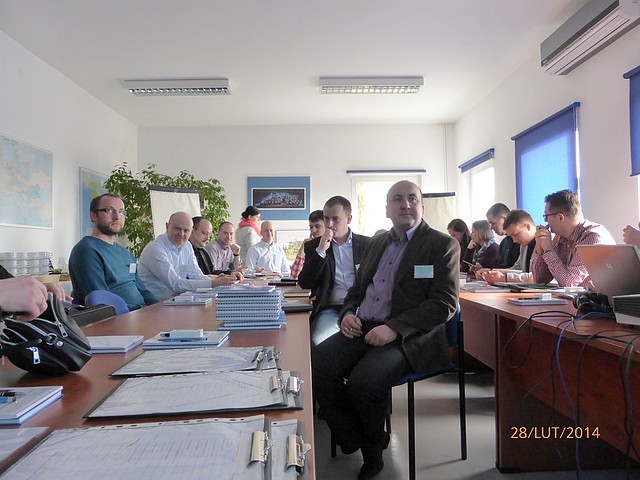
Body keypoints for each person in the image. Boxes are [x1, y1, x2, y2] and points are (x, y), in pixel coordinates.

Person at [312, 181, 459, 479]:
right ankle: (358, 435)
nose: (406, 204)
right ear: (387, 209)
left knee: (363, 381)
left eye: (412, 198)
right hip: (363, 326)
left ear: (422, 206)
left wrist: (393, 328)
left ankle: (372, 454)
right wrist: (348, 313)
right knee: (315, 363)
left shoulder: (442, 245)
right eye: (397, 199)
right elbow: (356, 289)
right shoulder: (376, 243)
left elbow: (444, 304)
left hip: (408, 337)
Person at [297, 198, 369, 345]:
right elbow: (305, 283)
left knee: (367, 339)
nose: (329, 224)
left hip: (362, 307)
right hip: (331, 309)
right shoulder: (314, 247)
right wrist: (321, 251)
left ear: (349, 219)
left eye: (335, 219)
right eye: (326, 218)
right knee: (318, 340)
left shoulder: (367, 244)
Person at [69, 193, 157, 311]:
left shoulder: (126, 254)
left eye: (121, 212)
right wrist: (142, 310)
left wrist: (159, 307)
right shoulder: (86, 251)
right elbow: (102, 304)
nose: (117, 217)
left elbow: (143, 291)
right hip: (116, 318)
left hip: (140, 314)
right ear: (93, 216)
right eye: (109, 210)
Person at [138, 211, 240, 301]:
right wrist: (213, 283)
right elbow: (175, 284)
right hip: (155, 306)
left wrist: (216, 281)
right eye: (177, 228)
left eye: (186, 230)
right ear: (167, 226)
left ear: (191, 232)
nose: (181, 234)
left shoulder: (187, 245)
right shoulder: (155, 249)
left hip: (179, 301)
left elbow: (196, 275)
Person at [531, 189, 615, 288]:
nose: (545, 221)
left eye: (546, 216)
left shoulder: (592, 237)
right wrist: (541, 250)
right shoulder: (560, 236)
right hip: (575, 297)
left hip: (599, 297)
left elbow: (568, 282)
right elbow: (539, 280)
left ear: (560, 217)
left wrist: (549, 250)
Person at [482, 209, 537, 284]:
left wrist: (504, 278)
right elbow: (518, 268)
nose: (514, 240)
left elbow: (538, 277)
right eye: (511, 236)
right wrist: (491, 272)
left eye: (515, 234)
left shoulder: (546, 241)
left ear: (527, 227)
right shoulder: (524, 244)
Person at [289, 210, 325, 280]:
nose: (313, 230)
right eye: (311, 227)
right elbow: (294, 277)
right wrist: (302, 249)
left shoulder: (332, 246)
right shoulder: (309, 247)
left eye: (317, 226)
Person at [486, 203, 520, 269]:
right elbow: (500, 266)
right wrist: (488, 271)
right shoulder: (503, 242)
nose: (491, 228)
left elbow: (519, 269)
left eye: (493, 223)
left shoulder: (520, 241)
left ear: (504, 219)